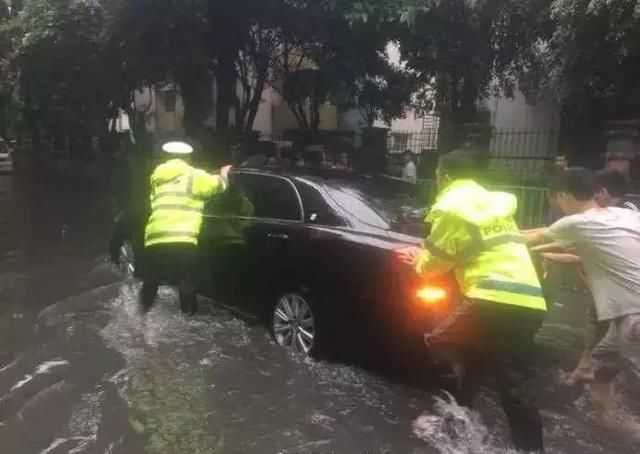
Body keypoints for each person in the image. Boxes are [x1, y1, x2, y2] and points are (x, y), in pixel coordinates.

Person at [397, 148, 546, 453]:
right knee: (503, 374)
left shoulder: (452, 207)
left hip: (490, 297)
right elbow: (473, 247)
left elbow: (433, 266)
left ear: (445, 175)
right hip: (531, 301)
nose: (437, 178)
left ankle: (461, 428)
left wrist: (417, 258)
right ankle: (473, 427)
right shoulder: (492, 206)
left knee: (437, 340)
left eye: (438, 173)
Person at [524, 168, 640, 424]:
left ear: (564, 195)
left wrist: (486, 238)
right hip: (623, 317)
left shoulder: (577, 222)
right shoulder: (623, 215)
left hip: (634, 317)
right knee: (598, 367)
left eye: (554, 200)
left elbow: (532, 238)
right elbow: (566, 245)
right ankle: (607, 420)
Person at [141, 140, 231, 315]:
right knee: (187, 279)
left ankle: (143, 315)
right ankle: (186, 318)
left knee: (151, 279)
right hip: (184, 237)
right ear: (188, 158)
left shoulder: (157, 177)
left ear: (166, 157)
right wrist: (224, 173)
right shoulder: (194, 176)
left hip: (155, 237)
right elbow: (219, 186)